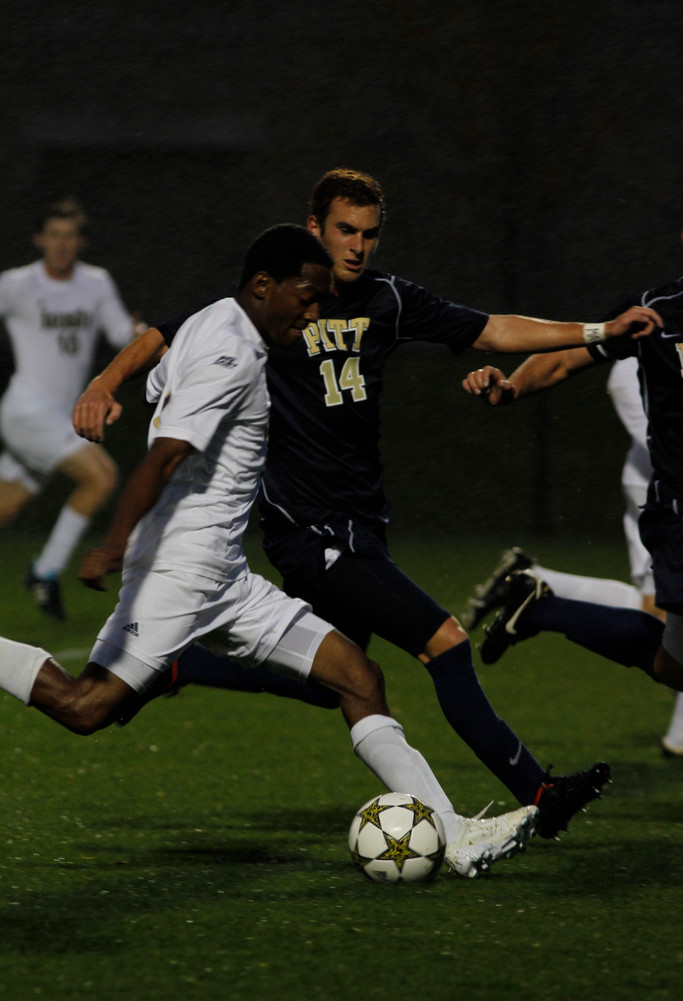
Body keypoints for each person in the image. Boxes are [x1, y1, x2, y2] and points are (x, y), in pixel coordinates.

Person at [73, 169, 660, 838]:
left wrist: (596, 330)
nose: (357, 246)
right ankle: (537, 790)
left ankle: (181, 665)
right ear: (315, 228)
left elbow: (493, 329)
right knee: (445, 643)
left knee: (335, 678)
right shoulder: (277, 302)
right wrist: (103, 381)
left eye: (369, 234)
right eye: (344, 231)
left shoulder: (388, 301)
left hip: (360, 523)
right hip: (308, 527)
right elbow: (164, 334)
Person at [0, 223, 542, 880]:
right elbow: (165, 454)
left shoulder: (209, 322)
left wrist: (114, 389)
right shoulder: (231, 354)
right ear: (264, 287)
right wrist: (113, 541)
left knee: (358, 678)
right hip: (180, 572)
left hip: (224, 572)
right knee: (86, 707)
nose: (313, 313)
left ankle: (452, 834)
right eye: (306, 299)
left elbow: (158, 376)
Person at [460, 265, 683, 707]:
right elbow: (565, 357)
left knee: (673, 665)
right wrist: (512, 387)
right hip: (681, 514)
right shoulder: (659, 313)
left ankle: (543, 606)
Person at [0, 198, 143, 620]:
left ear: (80, 241)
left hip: (59, 418)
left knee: (5, 507)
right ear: (40, 239)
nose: (62, 245)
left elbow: (121, 333)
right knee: (101, 477)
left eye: (70, 236)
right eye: (54, 235)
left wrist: (139, 332)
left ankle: (43, 572)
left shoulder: (96, 283)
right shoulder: (16, 283)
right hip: (26, 411)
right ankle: (45, 572)